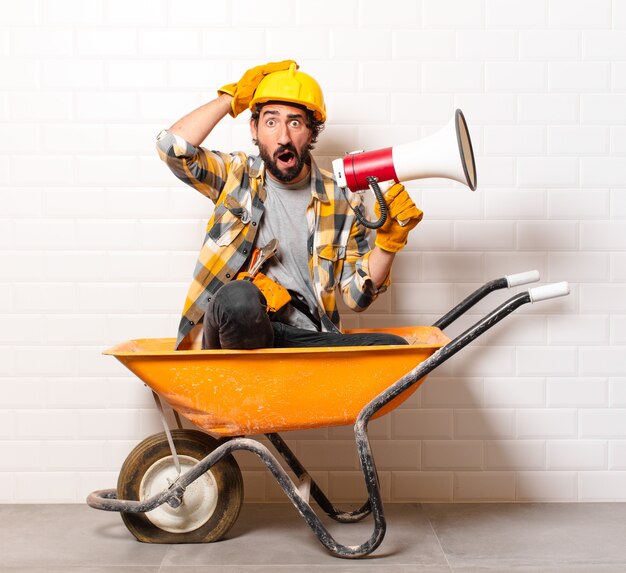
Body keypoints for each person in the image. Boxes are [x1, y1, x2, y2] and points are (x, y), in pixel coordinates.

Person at [156, 60, 423, 351]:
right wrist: (230, 99)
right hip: (234, 330)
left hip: (301, 336)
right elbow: (172, 147)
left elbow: (356, 297)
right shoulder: (236, 174)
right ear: (254, 129)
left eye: (295, 122)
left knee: (390, 348)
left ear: (311, 132)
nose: (283, 137)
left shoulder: (342, 199)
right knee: (239, 299)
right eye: (271, 121)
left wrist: (389, 242)